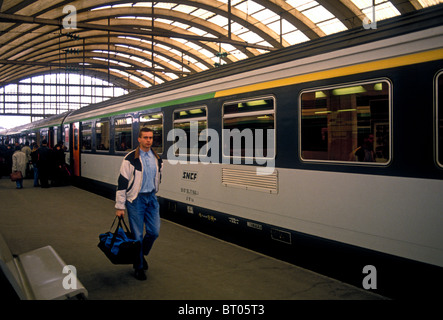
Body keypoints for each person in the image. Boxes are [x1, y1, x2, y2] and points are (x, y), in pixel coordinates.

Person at [115, 127, 163, 280]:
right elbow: (122, 182)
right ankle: (139, 266)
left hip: (151, 198)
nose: (149, 140)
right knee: (137, 236)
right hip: (135, 200)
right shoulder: (130, 158)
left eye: (150, 138)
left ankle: (140, 254)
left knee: (154, 232)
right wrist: (120, 206)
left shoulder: (156, 157)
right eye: (146, 138)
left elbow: (159, 176)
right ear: (139, 139)